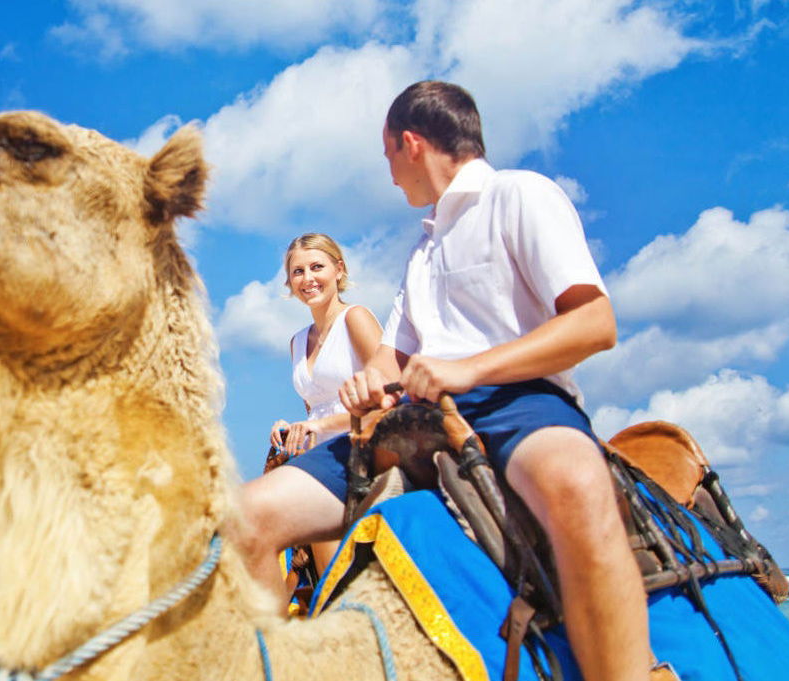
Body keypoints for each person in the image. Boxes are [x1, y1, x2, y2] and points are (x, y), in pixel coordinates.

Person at [329, 81, 647, 681]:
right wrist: (365, 384)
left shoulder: (520, 194)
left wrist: (470, 368)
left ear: (411, 143)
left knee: (579, 485)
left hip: (518, 402)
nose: (390, 173)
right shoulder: (421, 251)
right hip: (416, 418)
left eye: (388, 156)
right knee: (255, 514)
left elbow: (596, 323)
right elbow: (390, 361)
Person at [264, 233, 382, 575]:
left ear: (339, 270)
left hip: (363, 448)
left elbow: (389, 396)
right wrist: (290, 430)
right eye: (298, 271)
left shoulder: (355, 319)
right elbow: (314, 411)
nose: (308, 278)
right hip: (318, 455)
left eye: (317, 267)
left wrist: (320, 426)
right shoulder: (297, 342)